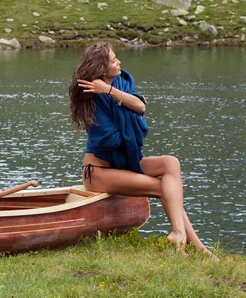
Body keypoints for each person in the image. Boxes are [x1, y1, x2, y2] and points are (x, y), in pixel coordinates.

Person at [69, 42, 214, 257]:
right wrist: (129, 111)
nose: (119, 62)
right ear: (101, 68)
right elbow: (112, 140)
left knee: (171, 163)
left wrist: (112, 92)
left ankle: (182, 237)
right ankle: (194, 244)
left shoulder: (119, 85)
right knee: (163, 186)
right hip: (99, 172)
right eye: (113, 60)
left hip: (125, 162)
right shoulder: (92, 101)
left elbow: (141, 107)